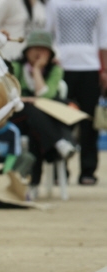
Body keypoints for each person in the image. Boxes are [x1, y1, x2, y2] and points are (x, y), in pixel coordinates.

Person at [47, 0, 107, 185]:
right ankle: (59, 169)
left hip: (90, 67)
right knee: (60, 118)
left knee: (89, 121)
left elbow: (103, 38)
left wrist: (104, 70)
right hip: (62, 67)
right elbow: (48, 34)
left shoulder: (100, 2)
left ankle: (87, 171)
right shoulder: (53, 3)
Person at [10, 30, 77, 186]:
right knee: (31, 108)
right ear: (27, 51)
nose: (39, 52)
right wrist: (30, 100)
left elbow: (46, 97)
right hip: (17, 118)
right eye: (35, 48)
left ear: (50, 53)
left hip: (38, 124)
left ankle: (34, 182)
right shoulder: (15, 67)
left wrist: (37, 70)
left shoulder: (55, 70)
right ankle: (60, 142)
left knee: (37, 129)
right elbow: (10, 97)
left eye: (43, 49)